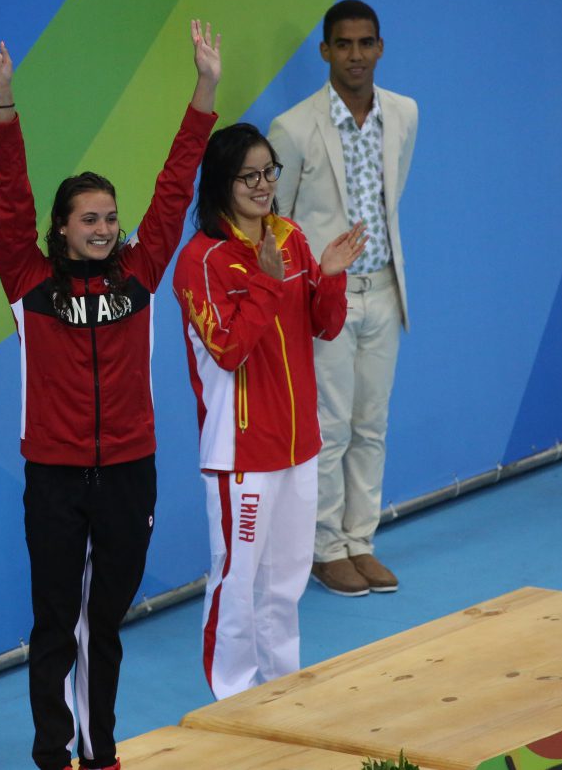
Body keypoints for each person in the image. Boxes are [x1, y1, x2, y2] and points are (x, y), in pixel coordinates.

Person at [0, 22, 220, 770]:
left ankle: (101, 747)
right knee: (54, 623)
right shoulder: (28, 282)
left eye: (111, 217)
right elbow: (12, 201)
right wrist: (4, 105)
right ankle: (54, 753)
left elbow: (175, 186)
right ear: (63, 230)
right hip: (55, 477)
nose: (106, 228)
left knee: (103, 621)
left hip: (130, 471)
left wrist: (204, 89)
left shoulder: (138, 275)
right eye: (90, 219)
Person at [172, 122, 366, 699]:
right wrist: (265, 283)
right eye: (248, 175)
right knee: (238, 581)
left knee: (284, 583)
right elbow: (229, 349)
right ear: (221, 184)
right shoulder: (201, 262)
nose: (262, 185)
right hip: (241, 451)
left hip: (298, 443)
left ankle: (283, 689)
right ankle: (232, 697)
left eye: (268, 171)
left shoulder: (290, 237)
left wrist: (329, 276)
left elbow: (325, 326)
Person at [268, 0, 418, 597]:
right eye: (344, 44)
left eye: (366, 43)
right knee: (328, 428)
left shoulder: (404, 114)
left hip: (383, 289)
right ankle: (325, 548)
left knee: (371, 424)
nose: (355, 55)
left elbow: (392, 193)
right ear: (325, 50)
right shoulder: (294, 127)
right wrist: (308, 290)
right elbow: (278, 220)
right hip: (328, 299)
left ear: (380, 47)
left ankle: (361, 541)